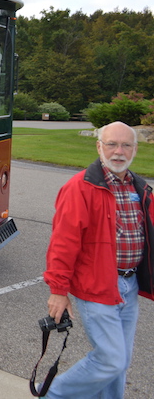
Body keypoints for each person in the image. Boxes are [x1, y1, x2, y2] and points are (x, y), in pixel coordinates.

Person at [41, 121, 154, 398]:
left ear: (135, 149)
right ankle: (53, 395)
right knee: (111, 359)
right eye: (112, 144)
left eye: (126, 145)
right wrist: (58, 291)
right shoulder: (80, 187)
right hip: (97, 287)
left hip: (129, 286)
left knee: (120, 362)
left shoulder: (140, 188)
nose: (119, 151)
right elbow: (63, 243)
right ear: (99, 147)